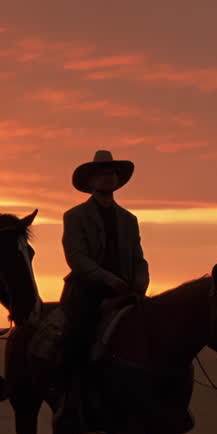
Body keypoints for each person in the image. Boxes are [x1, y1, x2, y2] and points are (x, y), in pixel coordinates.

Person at [59, 150, 150, 418]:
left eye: (111, 173)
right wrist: (107, 278)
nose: (107, 178)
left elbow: (139, 258)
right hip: (89, 288)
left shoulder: (129, 219)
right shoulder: (75, 216)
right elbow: (76, 257)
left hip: (127, 289)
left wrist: (140, 285)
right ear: (91, 181)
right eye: (101, 173)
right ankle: (72, 397)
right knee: (78, 334)